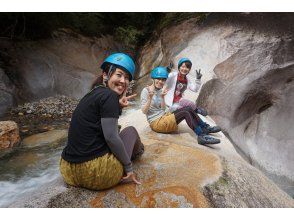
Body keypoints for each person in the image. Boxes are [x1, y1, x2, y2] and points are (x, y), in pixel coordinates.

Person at [60, 53, 144, 190]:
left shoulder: (93, 93)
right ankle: (138, 153)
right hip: (96, 174)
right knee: (131, 131)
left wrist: (118, 107)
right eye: (119, 75)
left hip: (69, 170)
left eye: (127, 78)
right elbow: (111, 137)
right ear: (105, 75)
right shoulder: (110, 96)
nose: (123, 81)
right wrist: (128, 168)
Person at [140, 66, 220, 145]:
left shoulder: (160, 90)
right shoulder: (146, 91)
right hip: (157, 122)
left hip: (164, 116)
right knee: (185, 113)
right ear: (153, 79)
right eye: (158, 79)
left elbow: (163, 108)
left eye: (163, 80)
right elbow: (144, 111)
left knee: (188, 108)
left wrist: (162, 97)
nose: (161, 81)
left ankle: (205, 127)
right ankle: (201, 135)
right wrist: (150, 98)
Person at [164, 58, 221, 134]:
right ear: (179, 67)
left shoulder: (187, 79)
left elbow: (195, 89)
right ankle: (203, 126)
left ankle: (203, 124)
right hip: (170, 103)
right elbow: (165, 79)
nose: (184, 69)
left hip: (178, 100)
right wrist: (167, 70)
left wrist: (198, 79)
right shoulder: (173, 75)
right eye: (182, 66)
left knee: (191, 104)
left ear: (189, 69)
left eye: (187, 67)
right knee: (189, 111)